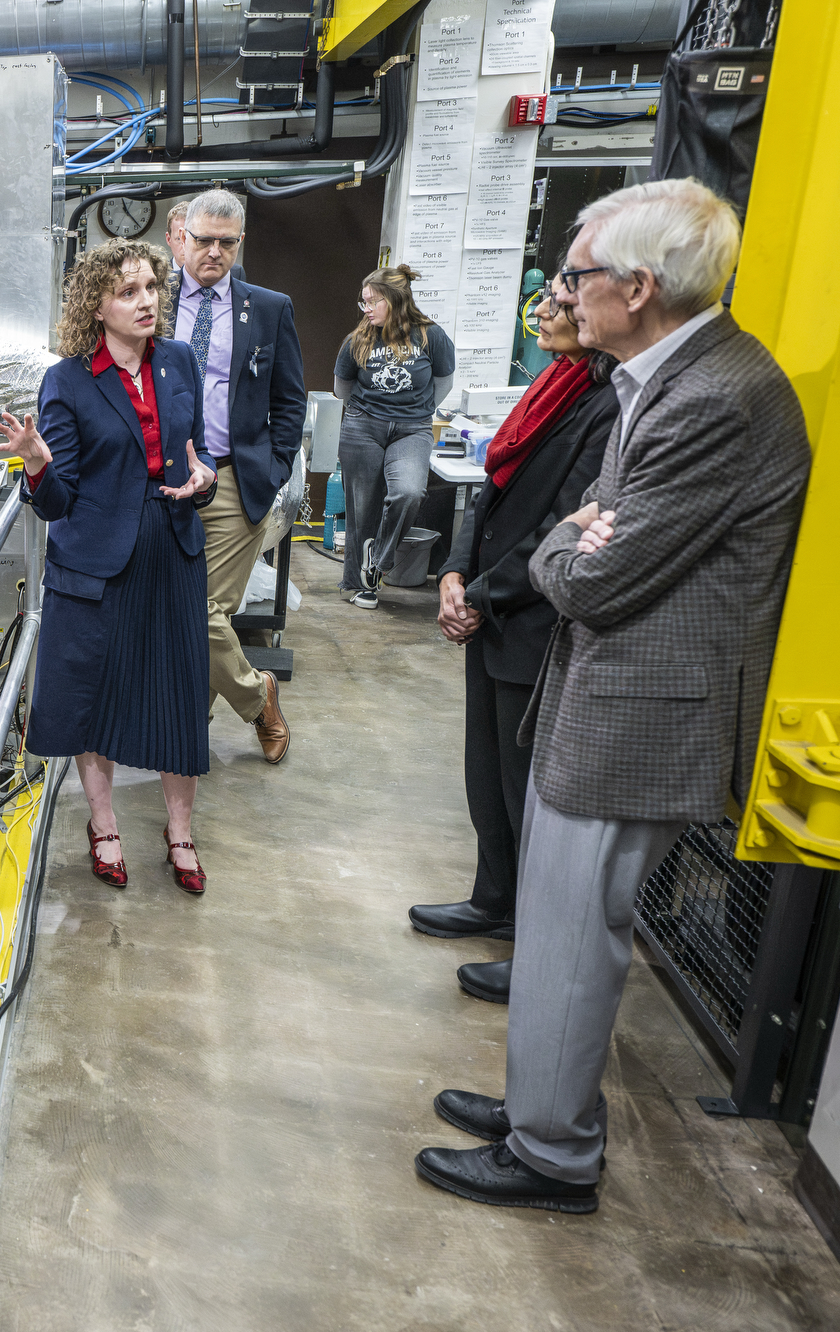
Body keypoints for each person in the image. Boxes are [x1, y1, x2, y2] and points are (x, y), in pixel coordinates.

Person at [416, 179, 811, 1214]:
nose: (563, 293)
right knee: (551, 936)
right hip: (608, 699)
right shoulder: (665, 382)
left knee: (571, 940)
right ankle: (537, 1109)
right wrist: (576, 532)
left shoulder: (715, 399)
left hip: (640, 717)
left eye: (577, 276)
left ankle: (549, 1155)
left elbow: (590, 572)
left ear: (637, 288)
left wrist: (562, 543)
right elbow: (588, 523)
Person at [408, 284, 620, 1004]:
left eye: (562, 300)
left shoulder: (610, 405)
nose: (547, 312)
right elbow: (492, 486)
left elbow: (568, 522)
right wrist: (455, 569)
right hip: (492, 603)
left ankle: (532, 939)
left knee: (524, 786)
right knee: (487, 772)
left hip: (533, 616)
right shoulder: (552, 385)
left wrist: (483, 593)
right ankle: (493, 897)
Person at [0, 239, 216, 893]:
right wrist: (36, 461)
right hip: (97, 556)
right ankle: (104, 823)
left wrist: (202, 476)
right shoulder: (66, 380)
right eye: (128, 292)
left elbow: (194, 451)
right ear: (97, 306)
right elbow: (57, 500)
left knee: (177, 698)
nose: (146, 302)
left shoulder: (178, 362)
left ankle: (179, 832)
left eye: (150, 288)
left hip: (171, 548)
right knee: (96, 698)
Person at [166, 188, 299, 764]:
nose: (213, 252)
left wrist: (269, 471)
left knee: (203, 612)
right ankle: (207, 713)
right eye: (203, 241)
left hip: (230, 480)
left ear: (239, 242)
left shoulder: (267, 308)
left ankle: (254, 698)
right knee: (175, 611)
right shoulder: (151, 300)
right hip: (161, 484)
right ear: (181, 238)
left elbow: (289, 400)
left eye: (226, 242)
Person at [334, 266, 456, 608]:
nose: (366, 308)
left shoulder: (431, 336)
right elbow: (341, 389)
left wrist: (414, 409)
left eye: (373, 301)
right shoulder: (358, 338)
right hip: (363, 426)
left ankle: (379, 562)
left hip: (413, 429)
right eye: (364, 302)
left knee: (409, 493)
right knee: (362, 509)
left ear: (395, 300)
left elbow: (443, 382)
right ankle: (361, 586)